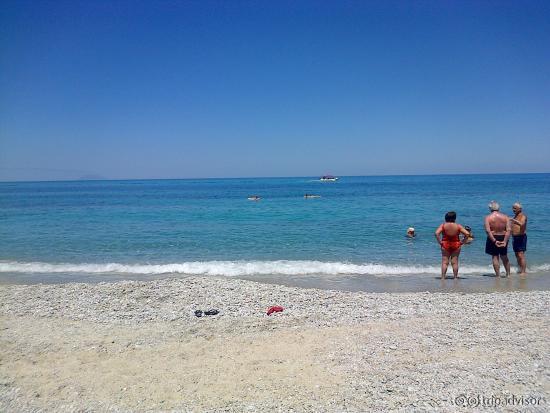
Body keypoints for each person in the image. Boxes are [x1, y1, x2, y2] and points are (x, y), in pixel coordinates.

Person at [435, 211, 470, 279]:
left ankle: (443, 277)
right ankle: (455, 277)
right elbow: (467, 234)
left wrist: (440, 242)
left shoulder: (443, 225)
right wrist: (463, 242)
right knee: (455, 262)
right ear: (454, 218)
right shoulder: (458, 226)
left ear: (446, 218)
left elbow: (436, 233)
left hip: (445, 244)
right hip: (456, 244)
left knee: (445, 262)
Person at [484, 201, 511, 277]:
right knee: (504, 256)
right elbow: (508, 230)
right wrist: (505, 241)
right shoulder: (505, 217)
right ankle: (508, 274)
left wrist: (494, 240)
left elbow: (488, 230)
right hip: (503, 236)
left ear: (490, 208)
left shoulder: (488, 217)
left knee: (495, 256)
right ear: (498, 208)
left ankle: (498, 275)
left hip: (493, 237)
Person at [510, 202, 528, 275]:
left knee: (521, 254)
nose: (513, 209)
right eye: (513, 208)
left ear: (520, 209)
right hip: (514, 237)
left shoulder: (523, 216)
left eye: (515, 208)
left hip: (521, 237)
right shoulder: (515, 216)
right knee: (517, 254)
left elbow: (522, 224)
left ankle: (523, 272)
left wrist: (513, 220)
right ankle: (519, 269)